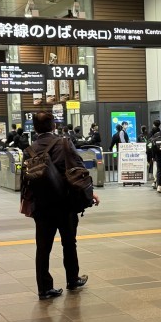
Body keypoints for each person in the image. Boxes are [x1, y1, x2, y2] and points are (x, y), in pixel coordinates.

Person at [22, 110, 99, 300]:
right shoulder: (64, 143)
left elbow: (26, 180)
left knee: (43, 247)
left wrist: (25, 202)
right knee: (69, 242)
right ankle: (72, 279)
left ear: (35, 128)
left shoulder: (29, 150)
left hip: (42, 206)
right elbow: (78, 169)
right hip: (65, 203)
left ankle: (44, 288)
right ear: (53, 125)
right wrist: (90, 193)